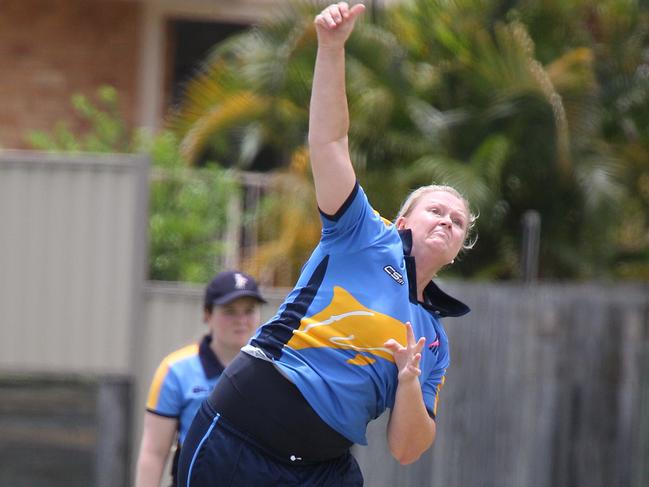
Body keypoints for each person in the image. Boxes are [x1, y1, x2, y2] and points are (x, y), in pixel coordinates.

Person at [177, 2, 476, 486]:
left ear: (460, 246)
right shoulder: (365, 234)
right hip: (241, 435)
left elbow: (406, 449)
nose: (446, 221)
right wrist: (332, 48)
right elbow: (330, 143)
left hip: (318, 468)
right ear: (403, 221)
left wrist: (407, 383)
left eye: (458, 221)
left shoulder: (433, 341)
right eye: (435, 210)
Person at [134, 270, 266, 487]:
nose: (241, 320)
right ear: (207, 314)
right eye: (230, 311)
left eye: (249, 310)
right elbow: (154, 453)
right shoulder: (175, 370)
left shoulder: (274, 370)